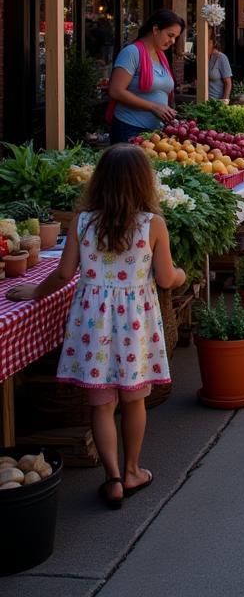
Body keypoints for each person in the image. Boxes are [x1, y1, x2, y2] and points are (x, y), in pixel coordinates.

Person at [5, 145, 186, 508]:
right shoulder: (152, 224)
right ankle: (133, 469)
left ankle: (113, 477)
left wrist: (34, 292)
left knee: (101, 405)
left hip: (94, 324)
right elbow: (166, 278)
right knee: (134, 401)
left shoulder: (84, 222)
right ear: (143, 183)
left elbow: (62, 273)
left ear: (99, 180)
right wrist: (181, 274)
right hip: (135, 324)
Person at [107, 9, 184, 144]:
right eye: (170, 35)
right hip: (129, 129)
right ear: (155, 29)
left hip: (155, 133)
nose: (172, 41)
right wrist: (154, 107)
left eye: (175, 37)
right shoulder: (132, 52)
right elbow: (115, 91)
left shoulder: (161, 56)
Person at [208, 29, 233, 103]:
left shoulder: (221, 58)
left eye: (208, 42)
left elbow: (228, 83)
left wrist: (224, 102)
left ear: (213, 43)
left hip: (217, 102)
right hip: (202, 101)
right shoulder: (202, 58)